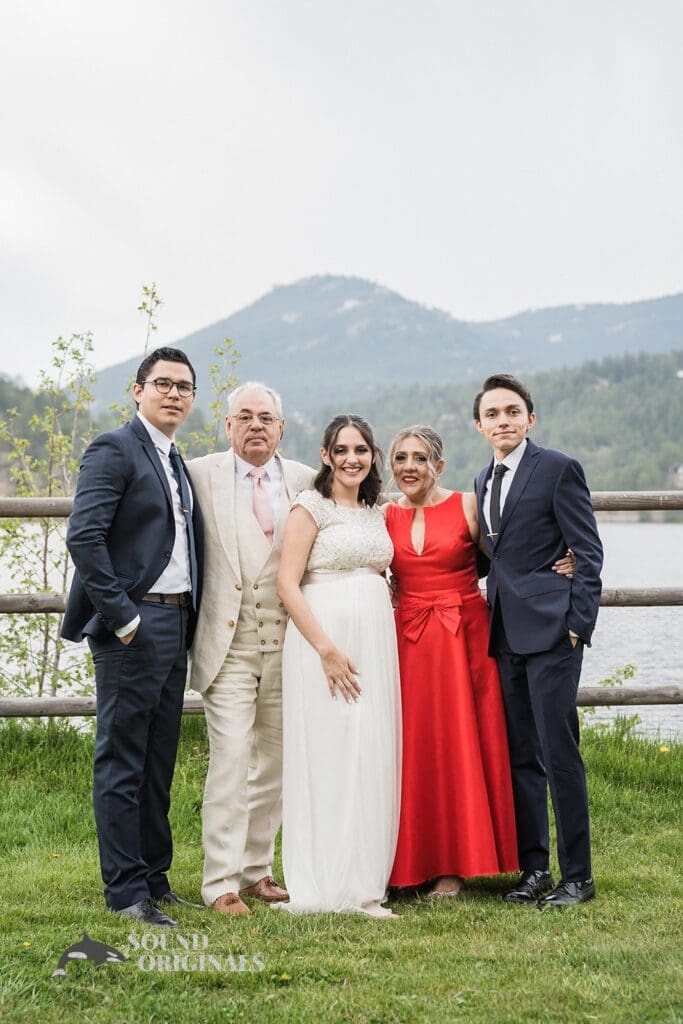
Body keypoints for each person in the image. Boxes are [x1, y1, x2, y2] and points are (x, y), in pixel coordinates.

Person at [62, 346, 204, 927]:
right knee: (122, 761)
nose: (174, 393)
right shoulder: (113, 448)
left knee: (158, 760)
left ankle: (156, 880)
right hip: (132, 626)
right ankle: (125, 892)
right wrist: (123, 618)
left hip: (176, 623)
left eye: (185, 387)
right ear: (138, 390)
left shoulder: (176, 461)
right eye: (163, 383)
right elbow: (84, 537)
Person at [473, 373, 603, 908]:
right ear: (479, 425)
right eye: (492, 414)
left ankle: (579, 876)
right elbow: (492, 556)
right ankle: (533, 871)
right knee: (521, 756)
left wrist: (578, 625)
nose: (502, 421)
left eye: (512, 411)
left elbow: (588, 552)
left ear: (530, 418)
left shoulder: (558, 468)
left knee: (558, 751)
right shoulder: (484, 479)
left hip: (553, 634)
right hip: (503, 632)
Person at [186, 382, 314, 916]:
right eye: (245, 416)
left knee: (278, 765)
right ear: (228, 424)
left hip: (289, 648)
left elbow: (364, 519)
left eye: (266, 417)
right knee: (231, 761)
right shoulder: (197, 474)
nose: (256, 425)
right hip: (228, 646)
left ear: (281, 427)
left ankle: (258, 869)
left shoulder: (309, 480)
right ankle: (220, 882)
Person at [275, 415, 401, 918]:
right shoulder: (310, 507)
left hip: (374, 641)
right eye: (342, 449)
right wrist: (325, 648)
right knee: (329, 752)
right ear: (326, 454)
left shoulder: (377, 511)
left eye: (362, 450)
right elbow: (288, 584)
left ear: (372, 456)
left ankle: (365, 881)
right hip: (322, 641)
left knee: (368, 750)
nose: (353, 458)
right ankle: (323, 882)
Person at [386, 426, 519, 896]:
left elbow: (506, 556)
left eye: (419, 458)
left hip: (464, 636)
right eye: (400, 457)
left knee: (460, 743)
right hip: (408, 641)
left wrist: (565, 559)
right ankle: (406, 863)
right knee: (415, 746)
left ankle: (455, 865)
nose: (408, 466)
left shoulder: (466, 504)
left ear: (438, 466)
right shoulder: (383, 515)